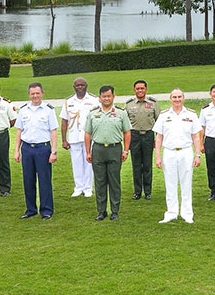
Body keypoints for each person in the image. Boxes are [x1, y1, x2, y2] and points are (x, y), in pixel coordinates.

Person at [153, 89, 202, 224]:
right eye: (174, 97)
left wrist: (197, 155)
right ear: (170, 99)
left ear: (183, 98)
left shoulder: (191, 114)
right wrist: (157, 157)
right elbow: (159, 137)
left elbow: (195, 136)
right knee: (170, 184)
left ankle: (187, 214)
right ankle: (171, 213)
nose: (177, 100)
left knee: (186, 184)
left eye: (179, 97)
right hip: (169, 152)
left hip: (186, 152)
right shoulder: (164, 115)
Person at [85, 85, 131, 221]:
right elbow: (87, 133)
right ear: (99, 98)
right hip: (98, 149)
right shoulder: (92, 113)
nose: (106, 98)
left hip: (114, 149)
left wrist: (126, 150)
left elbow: (127, 132)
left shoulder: (121, 113)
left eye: (109, 96)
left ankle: (115, 211)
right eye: (104, 96)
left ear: (113, 97)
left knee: (114, 181)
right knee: (99, 182)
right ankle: (101, 211)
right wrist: (88, 151)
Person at [13, 82, 58, 220]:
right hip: (27, 149)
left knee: (44, 180)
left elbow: (53, 132)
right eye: (32, 93)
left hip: (43, 149)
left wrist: (54, 151)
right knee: (28, 180)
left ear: (42, 93)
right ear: (29, 94)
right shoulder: (23, 110)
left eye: (37, 93)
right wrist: (16, 151)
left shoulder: (48, 110)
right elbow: (19, 131)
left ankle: (46, 210)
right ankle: (30, 209)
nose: (35, 96)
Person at [60, 77, 97, 198]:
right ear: (74, 87)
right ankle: (78, 187)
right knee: (76, 163)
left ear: (86, 86)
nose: (80, 87)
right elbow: (64, 121)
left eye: (82, 85)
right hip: (74, 136)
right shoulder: (68, 101)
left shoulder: (94, 100)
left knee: (89, 162)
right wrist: (64, 139)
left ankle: (88, 188)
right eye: (77, 85)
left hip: (89, 137)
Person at [123, 80, 158, 201]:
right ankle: (137, 191)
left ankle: (148, 191)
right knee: (136, 164)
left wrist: (157, 139)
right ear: (134, 90)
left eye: (142, 88)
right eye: (138, 88)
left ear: (146, 89)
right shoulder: (129, 104)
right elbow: (125, 125)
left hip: (148, 135)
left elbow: (158, 122)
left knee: (147, 164)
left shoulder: (153, 103)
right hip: (134, 136)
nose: (140, 90)